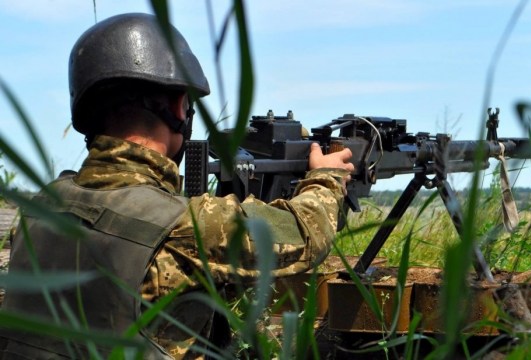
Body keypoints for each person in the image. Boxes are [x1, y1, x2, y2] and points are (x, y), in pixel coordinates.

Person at [0, 13, 353, 359]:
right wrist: (326, 177)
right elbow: (307, 234)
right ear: (177, 106)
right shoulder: (187, 227)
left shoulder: (41, 208)